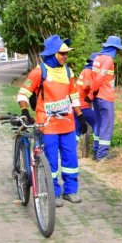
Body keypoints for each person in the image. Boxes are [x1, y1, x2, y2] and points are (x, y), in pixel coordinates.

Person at [17, 35, 87, 207]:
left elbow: (74, 97)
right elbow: (23, 94)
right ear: (53, 54)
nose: (65, 56)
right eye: (62, 53)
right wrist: (25, 110)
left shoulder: (68, 71)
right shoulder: (39, 72)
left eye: (66, 54)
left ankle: (70, 191)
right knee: (51, 162)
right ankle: (53, 192)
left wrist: (80, 116)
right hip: (47, 126)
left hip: (68, 124)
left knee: (71, 160)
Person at [89, 36, 122, 161]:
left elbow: (93, 76)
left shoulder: (97, 57)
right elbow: (99, 77)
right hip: (105, 96)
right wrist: (93, 90)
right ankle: (102, 154)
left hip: (96, 97)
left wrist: (92, 93)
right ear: (113, 48)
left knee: (99, 123)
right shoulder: (108, 60)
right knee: (107, 125)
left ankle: (95, 150)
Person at [75, 53, 97, 140]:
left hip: (76, 105)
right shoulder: (89, 72)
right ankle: (97, 146)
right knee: (96, 123)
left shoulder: (85, 70)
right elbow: (85, 86)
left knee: (78, 128)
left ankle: (73, 150)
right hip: (83, 105)